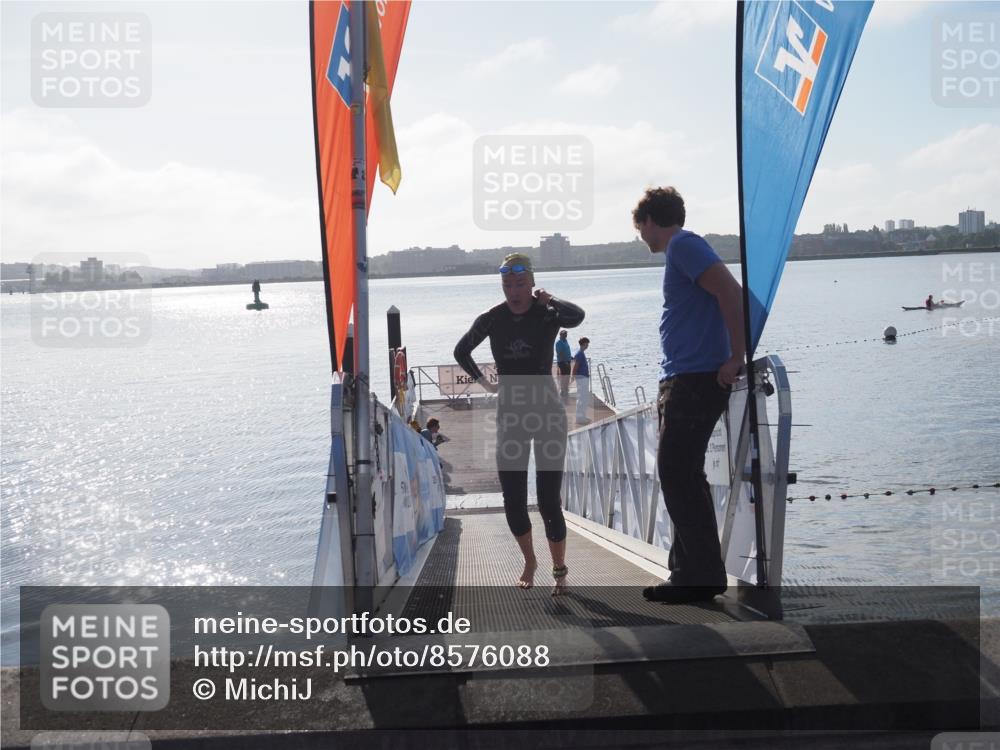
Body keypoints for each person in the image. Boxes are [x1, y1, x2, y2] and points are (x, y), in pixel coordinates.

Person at [632, 186, 746, 604]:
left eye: (640, 228)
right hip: (684, 377)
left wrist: (736, 356)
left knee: (677, 473)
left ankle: (699, 574)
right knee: (681, 475)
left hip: (696, 378)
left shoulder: (683, 245)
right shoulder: (682, 249)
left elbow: (729, 291)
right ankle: (689, 572)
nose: (641, 237)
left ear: (649, 221)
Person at [453, 253, 585, 594]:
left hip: (547, 414)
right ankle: (530, 560)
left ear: (532, 284)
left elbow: (578, 315)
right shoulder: (492, 318)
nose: (514, 291)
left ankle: (559, 570)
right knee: (512, 497)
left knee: (548, 499)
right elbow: (461, 351)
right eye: (508, 285)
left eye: (521, 284)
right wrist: (485, 383)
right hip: (511, 414)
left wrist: (550, 298)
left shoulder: (548, 312)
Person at [571, 337, 591, 425]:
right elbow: (575, 367)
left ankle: (582, 416)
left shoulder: (581, 353)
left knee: (584, 398)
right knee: (581, 398)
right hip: (581, 378)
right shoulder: (579, 354)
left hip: (584, 378)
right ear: (583, 344)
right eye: (587, 344)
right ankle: (579, 417)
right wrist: (573, 376)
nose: (588, 345)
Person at [554, 330, 572, 400]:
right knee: (563, 376)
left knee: (567, 376)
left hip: (568, 361)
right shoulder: (559, 343)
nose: (565, 336)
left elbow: (567, 350)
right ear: (560, 335)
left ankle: (566, 390)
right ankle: (562, 391)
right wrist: (565, 361)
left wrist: (570, 357)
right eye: (564, 334)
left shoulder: (566, 341)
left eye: (566, 334)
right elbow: (560, 353)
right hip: (562, 362)